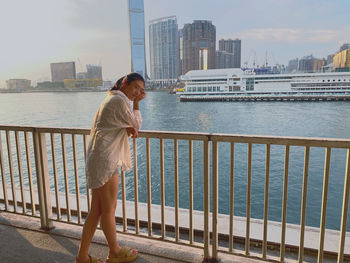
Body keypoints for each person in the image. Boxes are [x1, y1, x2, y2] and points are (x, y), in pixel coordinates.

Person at [75, 72, 146, 263]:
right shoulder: (119, 101)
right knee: (107, 209)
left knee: (97, 211)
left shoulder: (112, 98)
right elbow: (136, 124)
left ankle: (82, 257)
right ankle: (114, 251)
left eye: (141, 90)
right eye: (135, 88)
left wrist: (125, 127)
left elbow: (116, 124)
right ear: (125, 83)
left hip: (100, 157)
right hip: (106, 160)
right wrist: (137, 105)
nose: (137, 92)